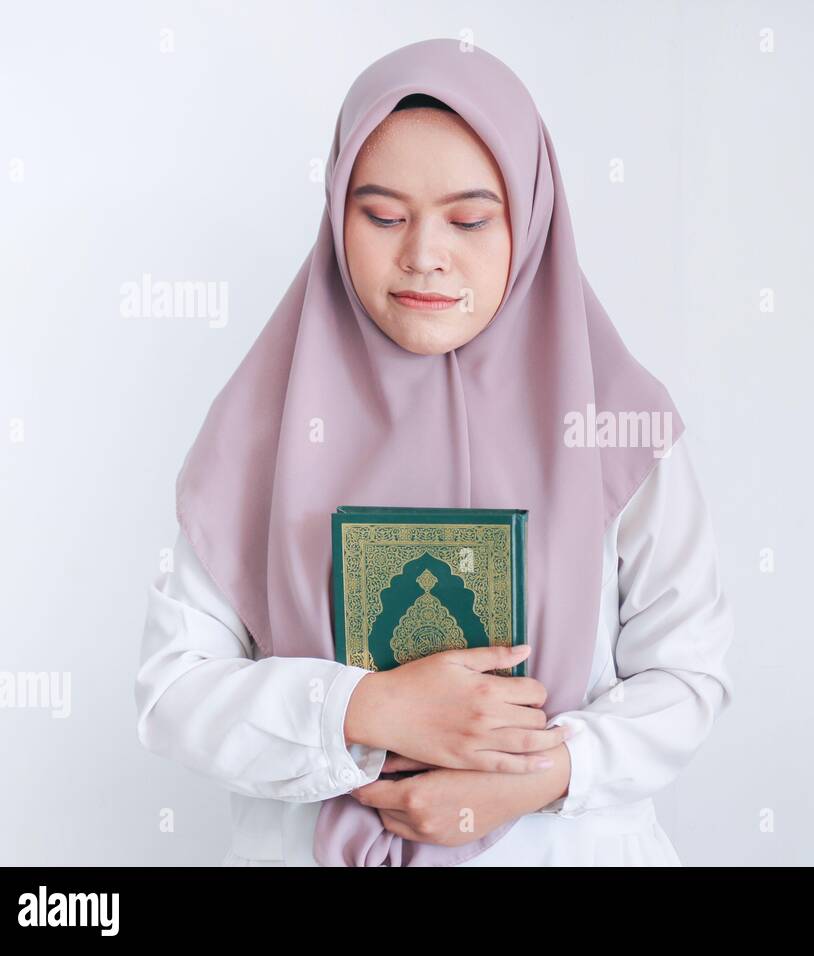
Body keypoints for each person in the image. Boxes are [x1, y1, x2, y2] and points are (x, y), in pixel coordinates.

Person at [134, 37, 734, 866]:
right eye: (381, 215)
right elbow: (172, 694)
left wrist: (539, 773)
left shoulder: (616, 426)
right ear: (336, 211)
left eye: (470, 219)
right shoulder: (260, 428)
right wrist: (366, 710)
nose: (423, 254)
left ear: (529, 218)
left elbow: (688, 679)